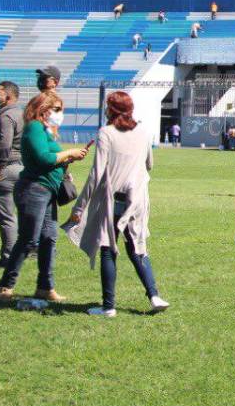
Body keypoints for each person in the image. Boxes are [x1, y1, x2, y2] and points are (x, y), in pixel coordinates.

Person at [67, 91, 169, 317]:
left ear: (111, 110)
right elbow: (149, 164)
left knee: (108, 248)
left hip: (114, 200)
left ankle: (108, 306)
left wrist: (79, 207)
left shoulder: (106, 133)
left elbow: (96, 174)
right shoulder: (143, 132)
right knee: (137, 247)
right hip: (138, 199)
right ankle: (154, 295)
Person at [0, 90, 89, 303]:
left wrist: (66, 162)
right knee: (28, 239)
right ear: (43, 110)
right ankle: (5, 286)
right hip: (33, 189)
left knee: (49, 238)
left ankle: (45, 287)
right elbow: (44, 158)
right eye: (57, 109)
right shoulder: (35, 128)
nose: (59, 114)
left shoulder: (46, 130)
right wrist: (68, 153)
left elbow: (48, 159)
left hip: (47, 190)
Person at [0, 81, 23, 267]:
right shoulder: (23, 114)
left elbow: (4, 145)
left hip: (6, 169)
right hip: (21, 167)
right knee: (21, 215)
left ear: (8, 96)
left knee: (6, 216)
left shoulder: (6, 117)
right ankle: (24, 251)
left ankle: (9, 257)